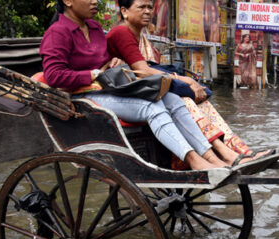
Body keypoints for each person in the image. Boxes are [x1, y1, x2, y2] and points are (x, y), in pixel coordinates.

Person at [41, 0, 233, 170]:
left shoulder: (94, 28)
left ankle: (209, 156)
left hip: (109, 88)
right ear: (68, 1)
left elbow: (103, 60)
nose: (95, 2)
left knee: (172, 98)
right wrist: (91, 74)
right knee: (152, 105)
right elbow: (54, 76)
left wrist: (112, 61)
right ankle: (193, 160)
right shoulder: (57, 32)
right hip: (84, 96)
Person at [106, 0, 267, 165]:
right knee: (185, 100)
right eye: (141, 7)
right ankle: (222, 153)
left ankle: (238, 150)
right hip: (123, 95)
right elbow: (144, 71)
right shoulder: (121, 33)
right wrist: (186, 80)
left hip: (143, 91)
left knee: (202, 103)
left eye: (150, 7)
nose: (147, 12)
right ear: (125, 11)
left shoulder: (140, 37)